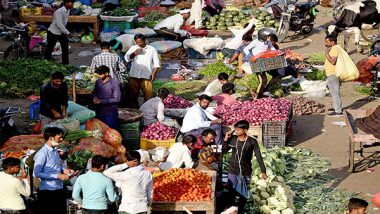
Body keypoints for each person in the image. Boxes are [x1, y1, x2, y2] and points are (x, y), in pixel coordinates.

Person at [223, 120, 267, 213]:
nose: (236, 131)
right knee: (231, 192)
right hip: (232, 170)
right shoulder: (233, 139)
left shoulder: (252, 141)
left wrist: (263, 171)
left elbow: (258, 156)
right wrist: (226, 139)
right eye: (236, 129)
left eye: (239, 129)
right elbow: (224, 151)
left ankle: (241, 210)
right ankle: (233, 210)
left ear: (245, 130)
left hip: (245, 171)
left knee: (243, 194)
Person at [34, 127, 76, 214]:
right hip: (48, 192)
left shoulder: (54, 151)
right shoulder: (42, 153)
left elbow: (57, 165)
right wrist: (57, 176)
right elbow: (37, 173)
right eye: (59, 137)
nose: (61, 139)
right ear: (51, 138)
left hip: (59, 188)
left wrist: (65, 170)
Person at [125, 34, 160, 108]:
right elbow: (127, 58)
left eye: (140, 42)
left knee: (148, 96)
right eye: (137, 42)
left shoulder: (152, 49)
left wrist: (153, 74)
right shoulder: (133, 48)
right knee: (132, 95)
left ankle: (147, 109)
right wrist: (134, 53)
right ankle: (134, 108)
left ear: (144, 40)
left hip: (146, 76)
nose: (139, 44)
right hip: (134, 75)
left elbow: (157, 64)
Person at [44, 0, 74, 64]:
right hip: (53, 32)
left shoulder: (68, 10)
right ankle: (46, 62)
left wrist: (65, 32)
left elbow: (63, 23)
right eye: (71, 3)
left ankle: (65, 64)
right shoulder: (59, 11)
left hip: (61, 32)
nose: (72, 4)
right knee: (50, 48)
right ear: (66, 3)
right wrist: (67, 32)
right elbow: (59, 23)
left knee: (65, 48)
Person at [93, 65, 122, 129]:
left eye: (100, 74)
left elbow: (117, 98)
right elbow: (94, 92)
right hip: (99, 111)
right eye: (98, 74)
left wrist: (102, 101)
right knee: (100, 130)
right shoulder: (98, 82)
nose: (98, 76)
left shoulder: (114, 83)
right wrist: (95, 98)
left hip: (110, 112)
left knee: (112, 131)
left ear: (106, 73)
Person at [324, 35, 343, 117]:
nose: (326, 44)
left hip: (333, 74)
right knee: (333, 91)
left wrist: (326, 53)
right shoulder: (334, 48)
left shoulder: (335, 48)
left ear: (332, 42)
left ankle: (338, 111)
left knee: (335, 92)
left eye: (327, 42)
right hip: (331, 74)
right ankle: (336, 107)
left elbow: (333, 61)